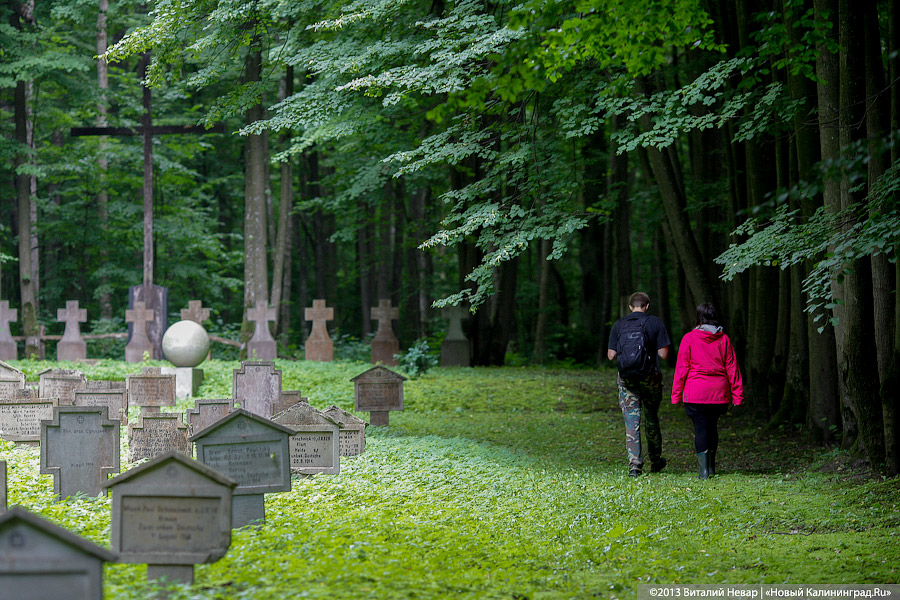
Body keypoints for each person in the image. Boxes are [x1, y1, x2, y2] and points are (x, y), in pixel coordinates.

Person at [671, 302, 743, 479]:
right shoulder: (724, 339)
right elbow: (732, 368)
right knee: (712, 427)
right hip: (718, 393)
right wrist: (737, 395)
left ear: (698, 317)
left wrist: (676, 395)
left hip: (696, 393)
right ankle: (711, 467)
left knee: (701, 429)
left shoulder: (689, 338)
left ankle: (703, 470)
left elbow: (681, 369)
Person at [607, 292, 672, 477]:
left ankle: (635, 466)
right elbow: (663, 354)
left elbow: (611, 355)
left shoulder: (619, 325)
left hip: (627, 380)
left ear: (630, 307)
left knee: (631, 420)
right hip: (650, 379)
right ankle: (656, 460)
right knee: (651, 417)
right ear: (647, 306)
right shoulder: (655, 323)